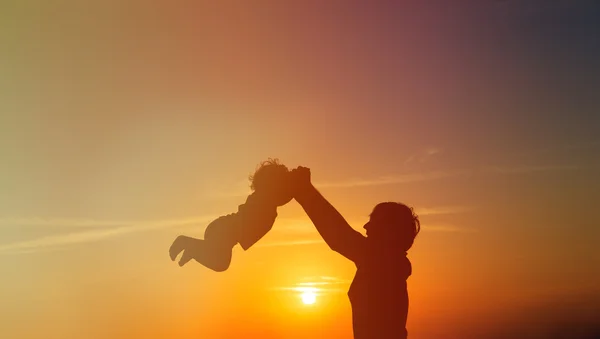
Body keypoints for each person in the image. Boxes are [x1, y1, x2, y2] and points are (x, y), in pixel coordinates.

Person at [290, 166, 420, 339]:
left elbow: (338, 235)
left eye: (373, 221)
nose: (366, 226)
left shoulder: (382, 263)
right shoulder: (389, 265)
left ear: (388, 230)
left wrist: (303, 190)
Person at [169, 159, 293, 271]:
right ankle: (187, 243)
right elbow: (283, 194)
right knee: (221, 262)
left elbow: (286, 196)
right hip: (223, 230)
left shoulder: (270, 204)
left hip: (224, 231)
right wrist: (293, 179)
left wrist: (294, 181)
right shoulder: (262, 199)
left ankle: (193, 249)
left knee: (221, 263)